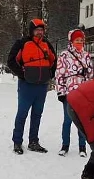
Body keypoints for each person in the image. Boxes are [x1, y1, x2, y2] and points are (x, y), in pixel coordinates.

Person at [6, 18, 57, 154]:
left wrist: (50, 74)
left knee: (37, 115)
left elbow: (54, 60)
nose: (40, 32)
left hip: (42, 86)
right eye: (37, 30)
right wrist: (23, 74)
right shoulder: (22, 43)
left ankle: (33, 142)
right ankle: (17, 142)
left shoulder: (46, 44)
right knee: (22, 114)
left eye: (41, 30)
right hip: (26, 85)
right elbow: (11, 61)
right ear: (31, 30)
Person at [55, 28, 93, 157]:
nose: (79, 42)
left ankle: (82, 147)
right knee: (68, 120)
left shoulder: (86, 55)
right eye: (77, 40)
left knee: (82, 121)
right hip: (69, 92)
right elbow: (59, 75)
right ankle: (65, 145)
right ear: (71, 41)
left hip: (83, 92)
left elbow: (90, 75)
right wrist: (61, 92)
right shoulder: (64, 55)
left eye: (81, 40)